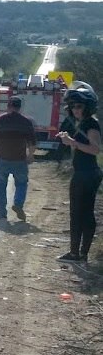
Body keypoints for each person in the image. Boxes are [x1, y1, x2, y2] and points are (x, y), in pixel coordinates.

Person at [55, 89, 102, 262]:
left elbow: (95, 149)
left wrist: (72, 142)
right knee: (81, 213)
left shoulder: (91, 124)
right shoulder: (82, 123)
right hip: (84, 172)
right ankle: (79, 253)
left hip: (87, 174)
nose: (75, 109)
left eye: (79, 106)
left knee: (80, 213)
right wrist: (68, 140)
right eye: (73, 106)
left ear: (87, 107)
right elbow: (81, 148)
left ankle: (77, 254)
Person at [0, 96, 36, 222]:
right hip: (19, 160)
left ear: (8, 106)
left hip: (2, 159)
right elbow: (32, 143)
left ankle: (1, 212)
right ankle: (18, 204)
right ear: (19, 107)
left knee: (1, 186)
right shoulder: (26, 122)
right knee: (22, 183)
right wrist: (30, 156)